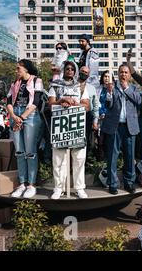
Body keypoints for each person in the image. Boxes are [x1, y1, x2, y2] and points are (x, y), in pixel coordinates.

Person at [48, 60, 90, 199]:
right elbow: (50, 104)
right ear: (63, 70)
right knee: (59, 159)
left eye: (72, 68)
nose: (70, 70)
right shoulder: (55, 85)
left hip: (77, 126)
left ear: (75, 71)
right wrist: (61, 101)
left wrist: (74, 103)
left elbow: (87, 106)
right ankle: (58, 188)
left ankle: (79, 188)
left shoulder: (81, 86)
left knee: (79, 158)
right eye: (67, 68)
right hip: (60, 127)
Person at [101, 64, 141, 195]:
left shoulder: (134, 88)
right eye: (121, 72)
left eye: (126, 72)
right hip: (115, 126)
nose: (123, 74)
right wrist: (110, 93)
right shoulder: (112, 86)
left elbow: (138, 101)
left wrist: (126, 89)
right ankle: (112, 183)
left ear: (129, 75)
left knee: (129, 156)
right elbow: (108, 105)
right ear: (118, 74)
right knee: (112, 155)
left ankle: (129, 182)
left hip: (130, 127)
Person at [7, 59, 44, 198]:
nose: (16, 71)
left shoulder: (36, 81)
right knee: (19, 151)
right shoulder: (14, 84)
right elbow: (9, 101)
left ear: (26, 69)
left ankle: (31, 184)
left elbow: (36, 102)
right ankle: (22, 183)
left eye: (18, 68)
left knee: (30, 151)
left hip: (30, 115)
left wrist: (22, 118)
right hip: (15, 115)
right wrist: (14, 116)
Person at [77, 66, 99, 160]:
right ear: (79, 71)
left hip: (87, 116)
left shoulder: (91, 88)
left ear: (88, 75)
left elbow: (95, 105)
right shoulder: (72, 85)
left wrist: (95, 121)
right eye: (82, 71)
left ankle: (85, 163)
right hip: (75, 116)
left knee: (87, 141)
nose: (84, 73)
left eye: (86, 72)